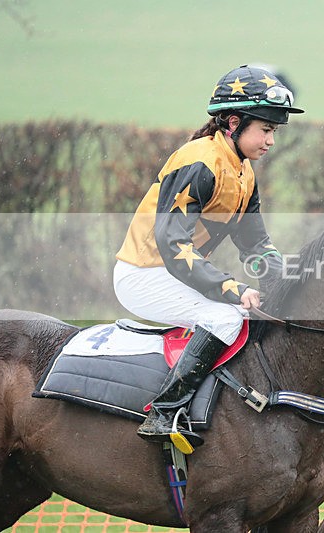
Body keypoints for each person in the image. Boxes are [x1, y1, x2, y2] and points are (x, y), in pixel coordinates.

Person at [114, 64, 303, 449]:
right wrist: (229, 288)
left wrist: (286, 279)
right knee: (225, 314)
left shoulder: (243, 172)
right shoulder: (199, 160)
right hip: (143, 274)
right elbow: (173, 246)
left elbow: (255, 245)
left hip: (173, 274)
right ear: (234, 123)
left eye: (274, 132)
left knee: (246, 312)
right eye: (265, 130)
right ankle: (164, 412)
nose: (271, 140)